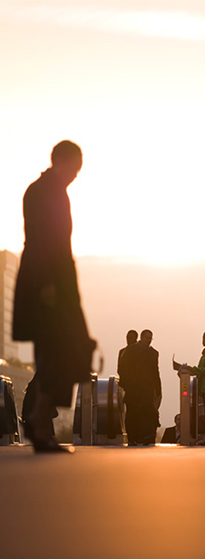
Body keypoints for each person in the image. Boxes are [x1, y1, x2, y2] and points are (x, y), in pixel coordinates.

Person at [13, 140, 95, 453]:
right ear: (60, 161)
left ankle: (37, 418)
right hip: (47, 284)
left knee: (62, 351)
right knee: (60, 349)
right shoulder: (42, 192)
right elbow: (40, 240)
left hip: (56, 284)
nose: (75, 175)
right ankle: (37, 420)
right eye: (73, 168)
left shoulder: (53, 191)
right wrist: (48, 285)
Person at [118, 329, 162, 446]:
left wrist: (158, 389)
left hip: (146, 387)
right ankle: (132, 438)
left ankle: (143, 437)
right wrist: (127, 383)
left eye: (150, 339)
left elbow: (155, 371)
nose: (148, 341)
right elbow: (122, 367)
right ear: (141, 338)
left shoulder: (153, 353)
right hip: (132, 387)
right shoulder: (131, 350)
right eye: (147, 338)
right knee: (132, 412)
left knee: (145, 412)